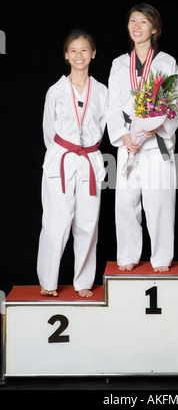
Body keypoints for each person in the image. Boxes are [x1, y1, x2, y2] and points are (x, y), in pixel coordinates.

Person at [107, 3, 178, 272]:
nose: (137, 26)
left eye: (143, 22)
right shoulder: (119, 64)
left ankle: (161, 258)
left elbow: (176, 102)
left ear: (154, 28)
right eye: (132, 21)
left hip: (156, 142)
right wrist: (121, 134)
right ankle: (127, 255)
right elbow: (111, 105)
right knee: (125, 203)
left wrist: (157, 126)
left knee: (160, 202)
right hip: (128, 141)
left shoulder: (166, 62)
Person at [37, 29, 108, 297]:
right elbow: (48, 131)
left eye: (84, 50)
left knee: (88, 223)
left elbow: (103, 126)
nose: (79, 55)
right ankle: (48, 280)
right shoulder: (55, 90)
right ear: (66, 56)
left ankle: (83, 282)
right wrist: (64, 152)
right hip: (62, 159)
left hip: (90, 159)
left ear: (93, 54)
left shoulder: (101, 91)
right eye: (73, 50)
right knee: (56, 220)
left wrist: (86, 150)